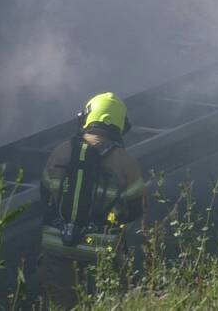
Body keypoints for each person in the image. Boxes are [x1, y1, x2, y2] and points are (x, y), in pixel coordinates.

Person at [37, 92, 145, 309]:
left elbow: (45, 195)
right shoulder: (125, 161)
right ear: (121, 125)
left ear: (86, 117)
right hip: (101, 250)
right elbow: (136, 209)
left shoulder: (60, 151)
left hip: (56, 246)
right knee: (115, 304)